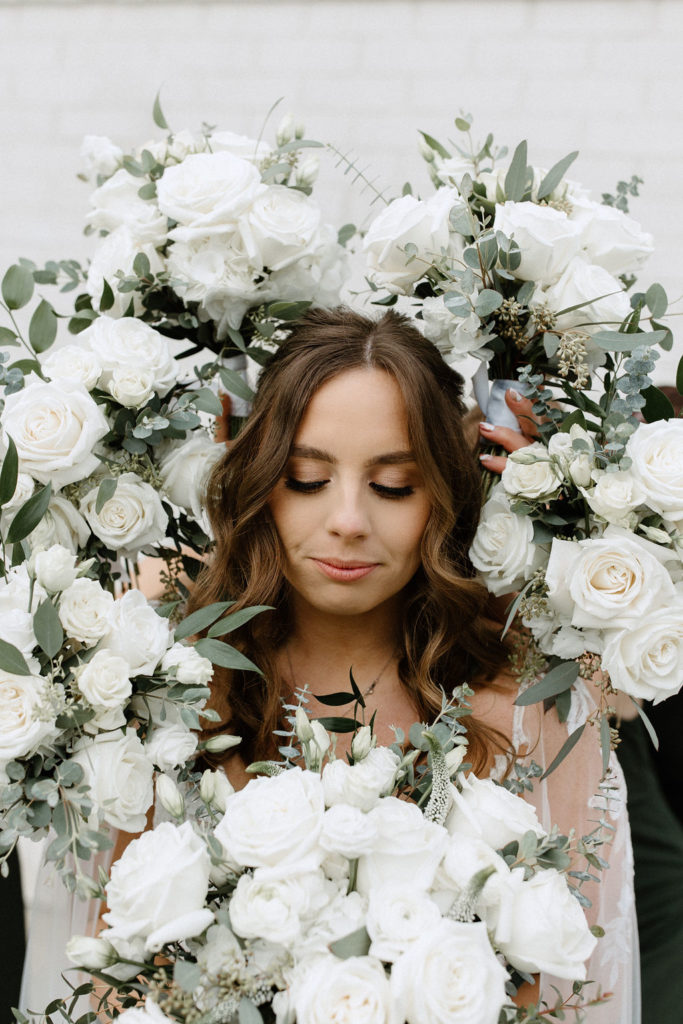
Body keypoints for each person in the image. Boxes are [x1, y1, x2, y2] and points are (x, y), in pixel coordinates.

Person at [189, 306, 638, 1022]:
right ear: (260, 482)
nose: (348, 520)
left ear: (443, 497)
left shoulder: (533, 715)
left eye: (393, 485)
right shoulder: (177, 701)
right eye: (307, 477)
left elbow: (579, 992)